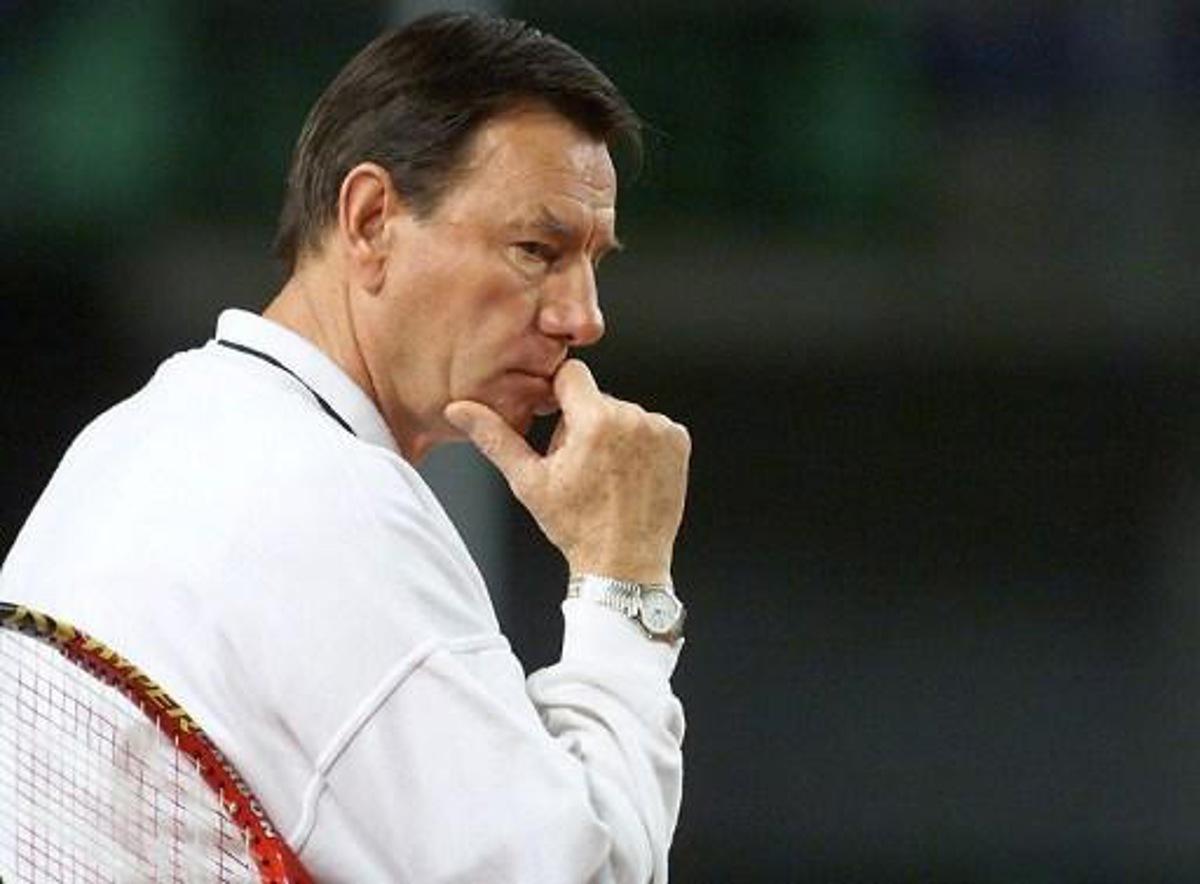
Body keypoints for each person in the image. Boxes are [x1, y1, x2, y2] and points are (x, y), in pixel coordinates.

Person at [0, 11, 691, 883]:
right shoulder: (321, 501)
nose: (582, 317)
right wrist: (625, 584)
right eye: (536, 249)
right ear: (369, 220)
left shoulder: (137, 439)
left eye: (592, 260)